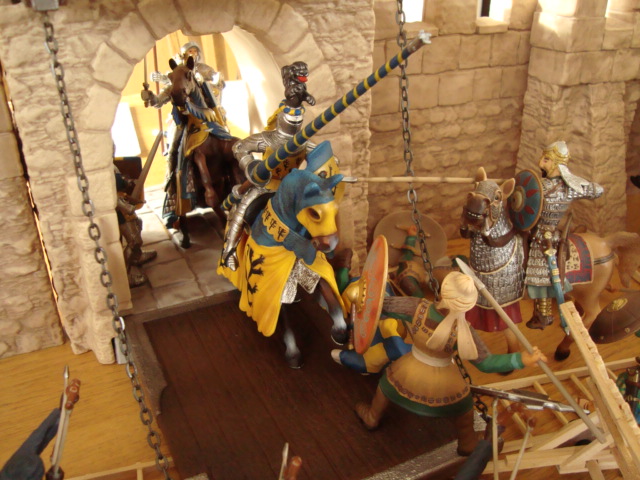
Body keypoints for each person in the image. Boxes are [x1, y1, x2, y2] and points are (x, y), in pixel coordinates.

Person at [352, 272, 547, 456]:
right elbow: (486, 363)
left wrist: (363, 294)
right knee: (464, 408)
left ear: (443, 290)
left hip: (408, 372)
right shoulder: (464, 331)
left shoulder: (417, 307)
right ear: (470, 304)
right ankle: (467, 443)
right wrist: (521, 359)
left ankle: (372, 416)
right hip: (443, 385)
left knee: (386, 385)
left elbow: (383, 306)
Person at [220, 61, 322, 270]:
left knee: (319, 213)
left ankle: (317, 252)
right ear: (281, 117)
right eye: (290, 117)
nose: (294, 122)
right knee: (242, 211)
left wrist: (325, 171)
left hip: (292, 189)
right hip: (266, 186)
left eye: (298, 118)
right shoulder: (267, 139)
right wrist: (251, 166)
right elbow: (239, 147)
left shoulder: (302, 142)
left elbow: (323, 157)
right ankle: (229, 251)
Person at [525, 141, 603, 329]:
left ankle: (543, 314)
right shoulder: (547, 185)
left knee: (540, 267)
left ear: (556, 163)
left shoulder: (554, 186)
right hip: (531, 229)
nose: (541, 162)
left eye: (546, 159)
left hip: (546, 236)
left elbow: (598, 190)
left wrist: (574, 181)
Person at [115, 165, 157, 287]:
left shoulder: (110, 166)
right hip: (119, 210)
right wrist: (127, 206)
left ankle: (137, 256)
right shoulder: (98, 169)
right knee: (134, 241)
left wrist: (129, 182)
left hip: (123, 204)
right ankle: (125, 277)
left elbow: (119, 181)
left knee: (138, 224)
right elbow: (110, 194)